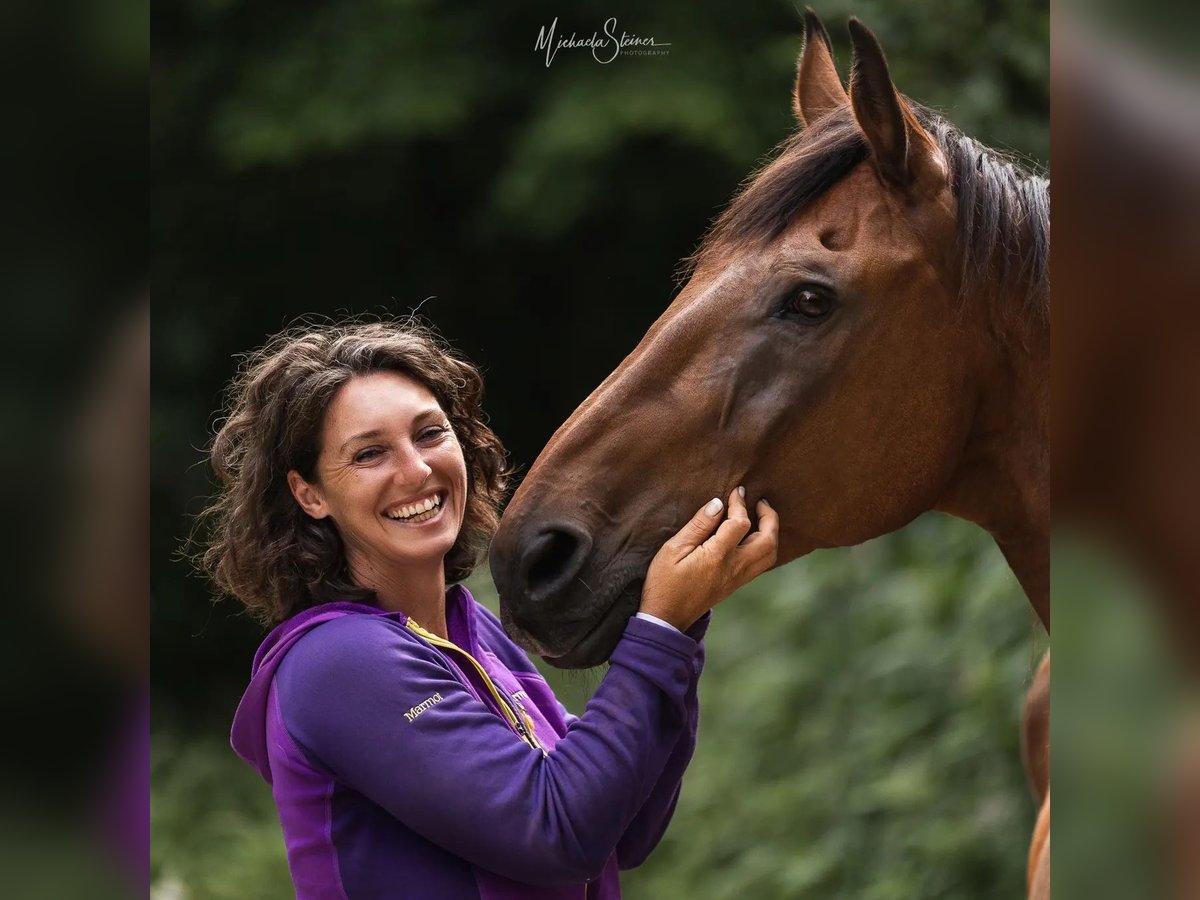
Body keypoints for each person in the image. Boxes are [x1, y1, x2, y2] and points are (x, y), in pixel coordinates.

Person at [196, 318, 778, 899]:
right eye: (370, 453)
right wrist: (661, 628)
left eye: (429, 434)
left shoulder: (472, 632)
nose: (417, 469)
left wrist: (682, 621)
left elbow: (625, 829)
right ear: (311, 494)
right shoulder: (338, 662)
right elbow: (559, 831)